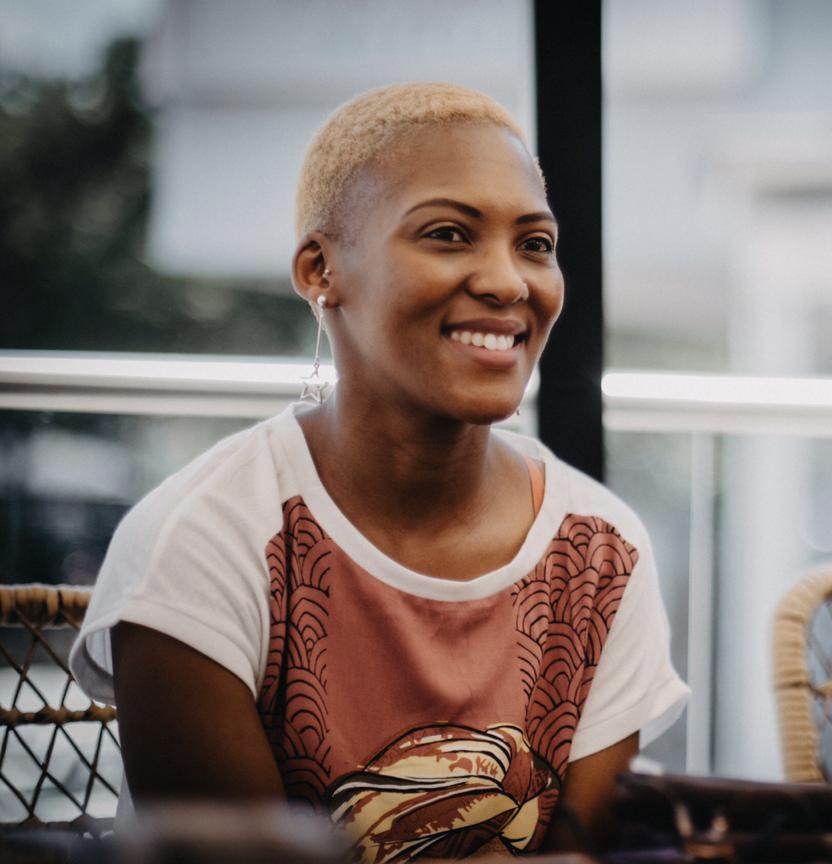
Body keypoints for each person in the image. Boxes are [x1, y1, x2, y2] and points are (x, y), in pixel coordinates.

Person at [70, 82, 688, 861]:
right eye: (448, 234)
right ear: (320, 270)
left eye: (534, 243)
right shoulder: (199, 543)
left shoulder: (601, 553)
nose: (508, 282)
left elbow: (580, 850)